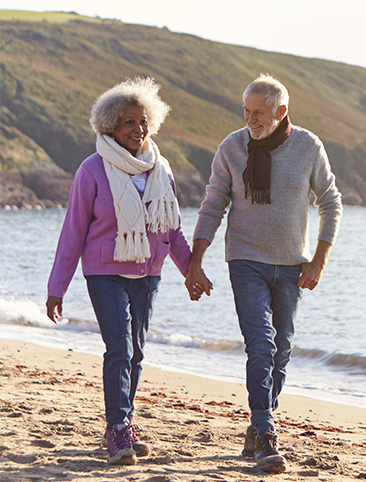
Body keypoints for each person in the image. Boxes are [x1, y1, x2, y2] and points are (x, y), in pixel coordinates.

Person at [185, 73, 342, 473]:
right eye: (246, 111)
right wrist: (195, 260)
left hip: (292, 265)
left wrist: (319, 259)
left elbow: (330, 201)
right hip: (246, 260)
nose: (250, 119)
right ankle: (267, 434)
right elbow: (213, 204)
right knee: (261, 344)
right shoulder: (232, 147)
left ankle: (257, 424)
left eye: (259, 112)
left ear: (281, 111)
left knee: (282, 351)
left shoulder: (308, 146)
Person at [46, 77, 197, 466]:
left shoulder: (160, 167)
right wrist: (56, 288)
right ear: (111, 125)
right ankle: (117, 428)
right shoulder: (92, 169)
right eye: (129, 122)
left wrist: (191, 270)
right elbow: (73, 231)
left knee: (137, 352)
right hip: (105, 272)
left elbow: (172, 228)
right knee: (120, 348)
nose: (139, 129)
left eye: (143, 121)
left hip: (148, 273)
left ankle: (124, 422)